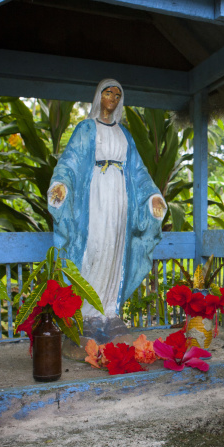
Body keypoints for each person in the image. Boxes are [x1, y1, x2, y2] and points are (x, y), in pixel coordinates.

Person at [48, 79, 167, 321]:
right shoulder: (86, 129)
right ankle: (88, 313)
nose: (112, 99)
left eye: (117, 96)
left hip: (120, 200)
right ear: (98, 96)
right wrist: (61, 185)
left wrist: (153, 196)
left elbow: (139, 172)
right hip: (94, 199)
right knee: (93, 247)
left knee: (115, 248)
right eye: (108, 93)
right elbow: (69, 163)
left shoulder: (125, 134)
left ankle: (110, 312)